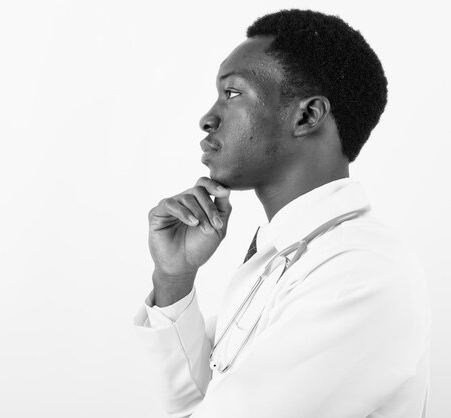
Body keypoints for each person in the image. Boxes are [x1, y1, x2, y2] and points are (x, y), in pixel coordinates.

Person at [133, 9, 431, 418]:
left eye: (233, 93)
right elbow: (191, 404)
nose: (207, 119)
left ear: (307, 116)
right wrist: (174, 277)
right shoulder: (286, 255)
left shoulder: (358, 272)